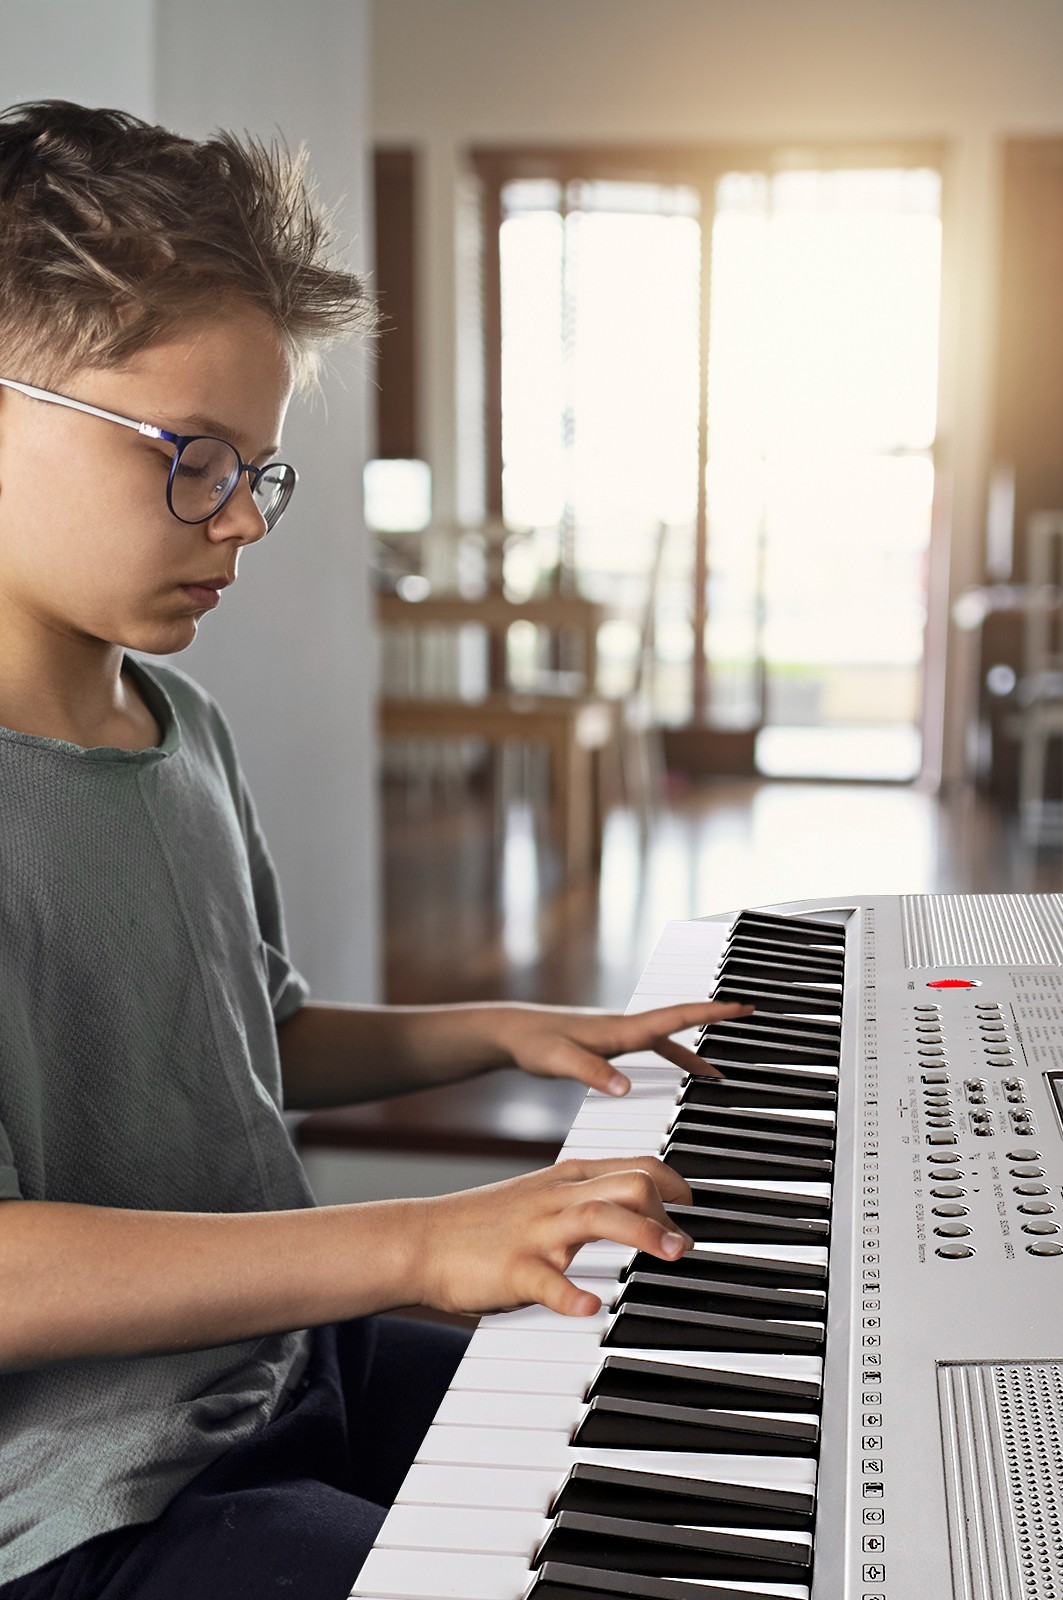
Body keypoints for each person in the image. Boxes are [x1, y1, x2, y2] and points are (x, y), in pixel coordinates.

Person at [0, 100, 743, 1599]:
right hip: (87, 1500)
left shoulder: (179, 724)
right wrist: (418, 1241)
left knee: (680, 1466)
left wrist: (501, 1032)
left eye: (255, 469)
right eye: (189, 455)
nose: (242, 522)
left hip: (275, 1365)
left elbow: (248, 1038)